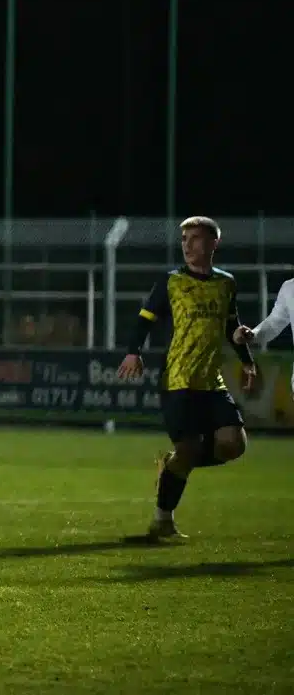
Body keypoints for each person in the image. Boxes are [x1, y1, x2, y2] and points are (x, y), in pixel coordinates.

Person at [117, 216, 255, 541]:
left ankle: (173, 466)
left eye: (195, 238)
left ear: (213, 243)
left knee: (234, 445)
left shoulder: (226, 284)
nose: (188, 245)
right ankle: (162, 519)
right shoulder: (170, 282)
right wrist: (133, 351)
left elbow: (230, 326)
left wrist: (247, 362)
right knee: (190, 450)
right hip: (178, 381)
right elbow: (143, 320)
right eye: (184, 239)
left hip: (212, 383)